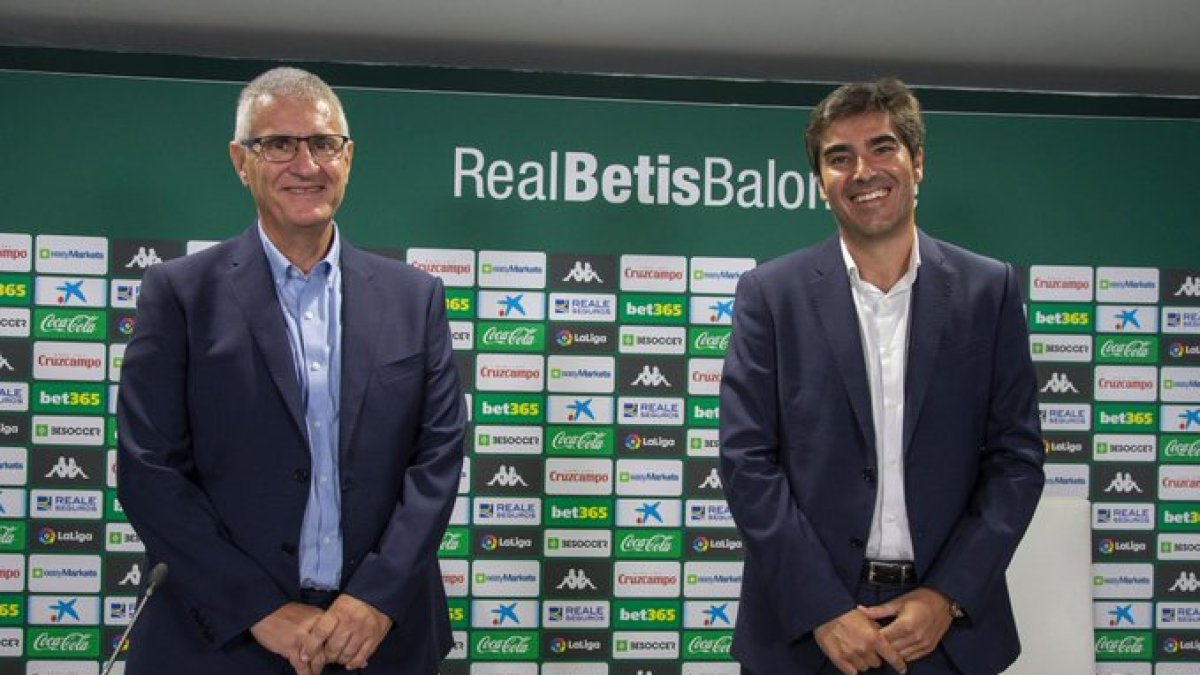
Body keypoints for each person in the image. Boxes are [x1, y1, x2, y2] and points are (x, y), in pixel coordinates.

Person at [117, 67, 466, 674]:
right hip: (220, 640)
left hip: (377, 643)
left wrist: (374, 599)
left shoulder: (416, 298)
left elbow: (436, 461)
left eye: (323, 143)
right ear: (240, 160)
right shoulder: (178, 293)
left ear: (348, 157)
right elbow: (149, 470)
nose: (305, 164)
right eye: (278, 143)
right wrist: (259, 609)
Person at [718, 78, 1044, 675]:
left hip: (946, 635)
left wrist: (946, 597)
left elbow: (1016, 461)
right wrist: (822, 609)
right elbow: (747, 462)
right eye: (839, 157)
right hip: (806, 636)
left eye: (882, 147)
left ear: (917, 162)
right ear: (821, 181)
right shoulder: (770, 295)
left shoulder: (988, 291)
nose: (862, 171)